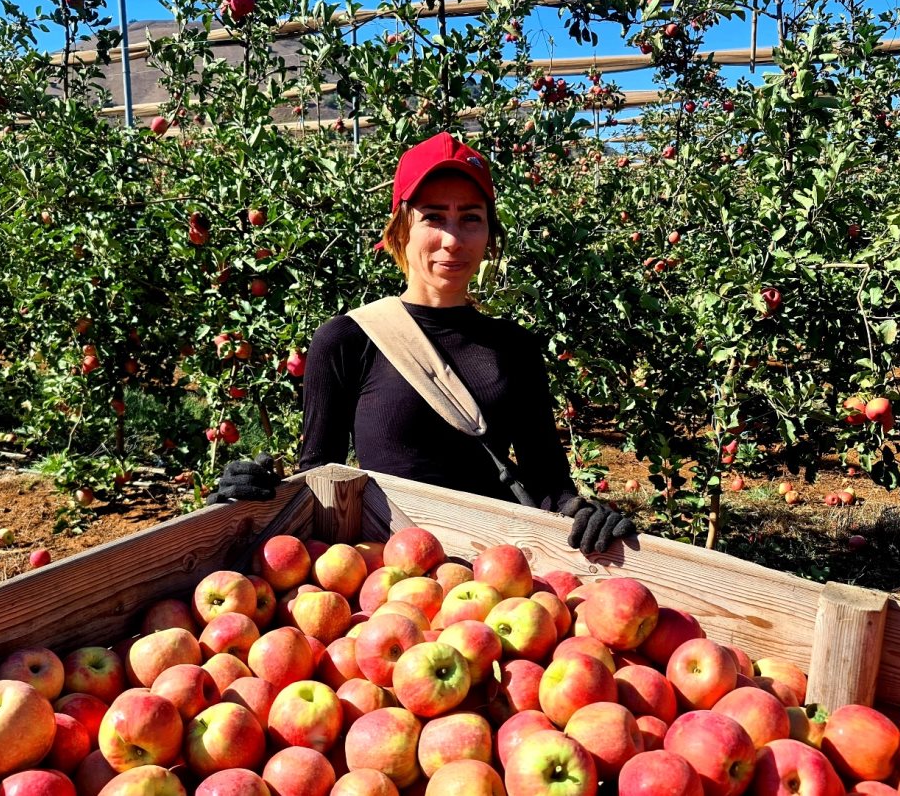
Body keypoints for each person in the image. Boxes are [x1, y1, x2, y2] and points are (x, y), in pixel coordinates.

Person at [208, 132, 635, 554]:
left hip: (499, 575)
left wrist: (584, 511)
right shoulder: (348, 339)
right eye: (433, 217)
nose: (453, 239)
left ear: (490, 234)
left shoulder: (515, 347)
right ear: (401, 230)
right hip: (388, 577)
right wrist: (249, 498)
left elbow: (548, 486)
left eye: (471, 217)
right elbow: (321, 476)